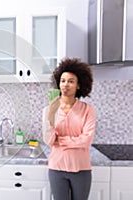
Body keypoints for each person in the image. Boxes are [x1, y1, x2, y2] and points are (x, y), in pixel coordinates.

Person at [42, 57, 96, 200]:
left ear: (79, 85)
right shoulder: (49, 109)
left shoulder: (88, 110)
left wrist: (62, 141)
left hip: (81, 168)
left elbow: (86, 140)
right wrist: (51, 115)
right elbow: (49, 140)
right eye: (63, 81)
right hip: (56, 168)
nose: (66, 85)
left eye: (71, 81)